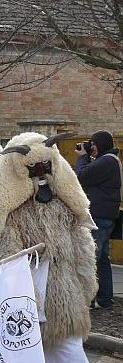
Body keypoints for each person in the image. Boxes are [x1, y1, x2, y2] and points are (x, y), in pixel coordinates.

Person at [0, 132, 96, 363]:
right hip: (21, 291)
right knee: (16, 352)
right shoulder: (8, 209)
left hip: (62, 291)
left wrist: (85, 280)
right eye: (33, 169)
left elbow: (81, 242)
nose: (40, 175)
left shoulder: (63, 204)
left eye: (46, 168)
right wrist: (17, 267)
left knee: (70, 350)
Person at [74, 130, 120, 309]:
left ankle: (89, 299)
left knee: (92, 257)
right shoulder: (107, 160)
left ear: (100, 145)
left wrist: (83, 157)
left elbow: (81, 176)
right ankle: (105, 299)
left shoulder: (107, 161)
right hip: (103, 216)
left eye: (92, 144)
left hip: (100, 217)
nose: (90, 147)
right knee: (101, 259)